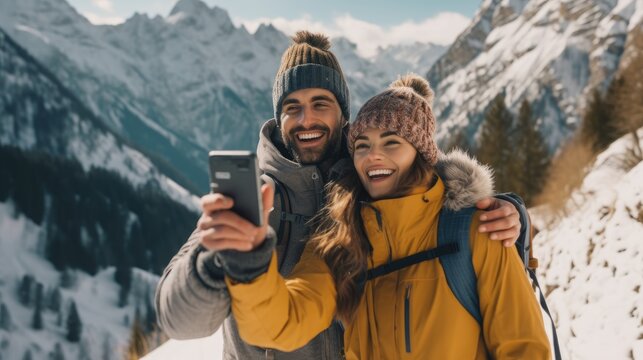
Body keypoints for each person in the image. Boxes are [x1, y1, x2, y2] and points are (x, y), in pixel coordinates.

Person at [155, 32, 528, 359]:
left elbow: (428, 183)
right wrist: (221, 258)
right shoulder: (266, 205)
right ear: (278, 118)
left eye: (321, 103)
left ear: (342, 114)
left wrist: (506, 212)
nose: (306, 120)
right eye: (292, 107)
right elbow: (181, 321)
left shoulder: (377, 200)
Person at [223, 74, 552, 359]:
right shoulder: (341, 237)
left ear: (421, 153)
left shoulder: (477, 231)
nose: (373, 156)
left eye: (392, 142)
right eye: (362, 145)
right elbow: (282, 325)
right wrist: (249, 263)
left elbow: (523, 348)